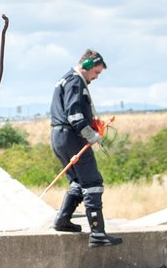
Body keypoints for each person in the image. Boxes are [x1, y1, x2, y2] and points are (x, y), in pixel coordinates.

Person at [49, 49, 122, 248]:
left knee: (78, 181)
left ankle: (62, 220)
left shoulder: (65, 80)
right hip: (72, 137)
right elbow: (74, 114)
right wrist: (91, 134)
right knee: (93, 182)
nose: (95, 77)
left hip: (59, 137)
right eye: (96, 73)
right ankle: (98, 233)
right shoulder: (75, 81)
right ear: (88, 66)